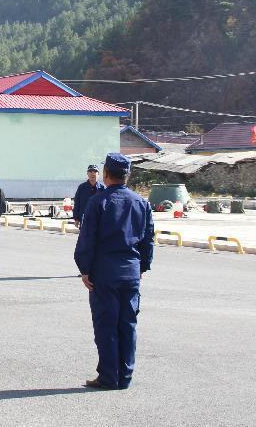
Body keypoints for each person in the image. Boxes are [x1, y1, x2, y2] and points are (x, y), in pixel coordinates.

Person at [74, 153, 154, 391]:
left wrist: (84, 269)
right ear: (127, 176)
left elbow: (87, 238)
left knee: (106, 325)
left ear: (106, 174)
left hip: (104, 273)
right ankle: (125, 376)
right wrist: (142, 267)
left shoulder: (98, 202)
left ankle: (109, 376)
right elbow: (148, 240)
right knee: (128, 324)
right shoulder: (141, 202)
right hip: (131, 272)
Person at [73, 164, 105, 228]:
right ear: (87, 174)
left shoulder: (102, 189)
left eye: (95, 171)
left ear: (98, 174)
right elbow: (77, 203)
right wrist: (76, 219)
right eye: (90, 171)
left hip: (98, 221)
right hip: (84, 221)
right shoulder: (82, 187)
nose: (92, 174)